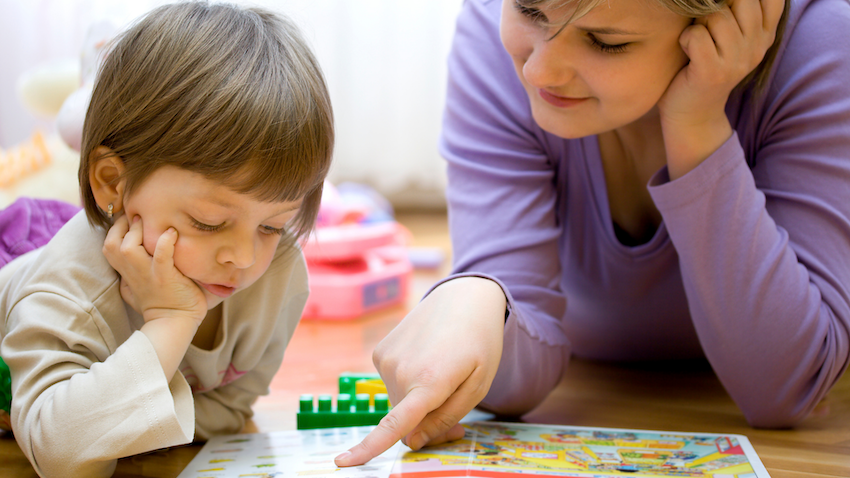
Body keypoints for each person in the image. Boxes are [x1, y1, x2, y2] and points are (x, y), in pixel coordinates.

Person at [335, 0, 850, 467]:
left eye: (607, 42)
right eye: (529, 12)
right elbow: (512, 387)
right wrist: (480, 297)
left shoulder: (822, 41)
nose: (538, 70)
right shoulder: (488, 33)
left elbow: (785, 387)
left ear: (727, 19)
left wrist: (697, 125)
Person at [0, 3, 333, 476]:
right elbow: (62, 455)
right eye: (209, 222)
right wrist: (172, 321)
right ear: (113, 182)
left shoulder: (277, 272)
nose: (243, 257)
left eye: (272, 226)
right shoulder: (68, 290)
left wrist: (120, 428)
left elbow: (234, 408)